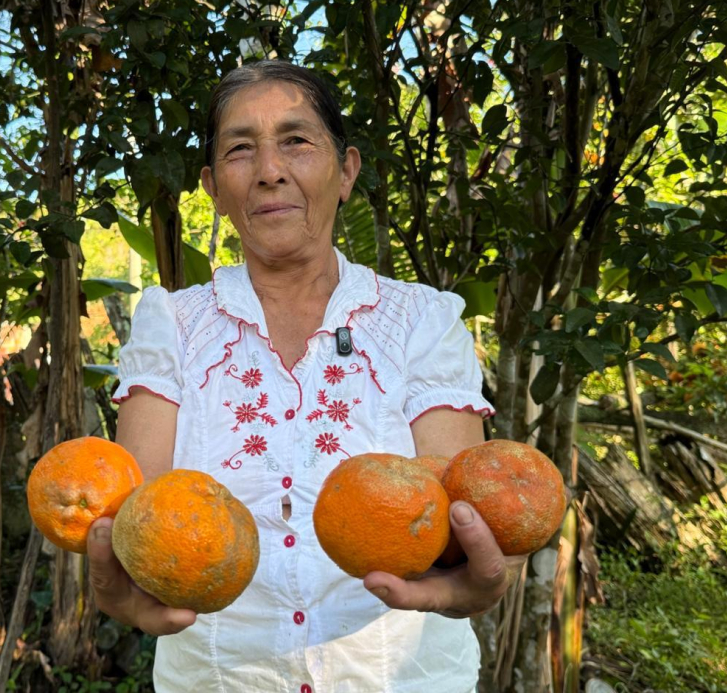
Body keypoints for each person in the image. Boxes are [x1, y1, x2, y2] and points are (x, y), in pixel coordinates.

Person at [86, 60, 524, 692]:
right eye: (241, 149)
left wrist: (471, 585)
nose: (269, 170)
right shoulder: (172, 325)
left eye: (296, 140)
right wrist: (127, 581)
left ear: (345, 171)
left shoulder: (422, 321)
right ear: (212, 186)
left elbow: (459, 511)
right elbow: (143, 517)